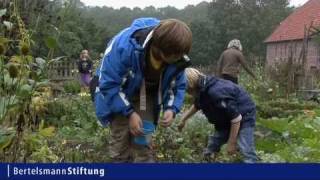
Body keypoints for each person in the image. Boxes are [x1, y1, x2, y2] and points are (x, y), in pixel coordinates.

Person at [94, 17, 192, 162]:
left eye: (180, 55)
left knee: (143, 144)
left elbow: (177, 85)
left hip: (147, 96)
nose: (179, 58)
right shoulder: (125, 48)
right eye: (175, 56)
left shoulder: (177, 58)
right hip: (119, 94)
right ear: (160, 49)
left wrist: (171, 108)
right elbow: (109, 85)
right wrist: (130, 114)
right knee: (120, 144)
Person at [178, 68, 258, 163]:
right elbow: (197, 105)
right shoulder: (202, 89)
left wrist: (231, 143)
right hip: (225, 118)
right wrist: (183, 119)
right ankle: (206, 161)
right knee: (213, 144)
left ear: (191, 86)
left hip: (244, 115)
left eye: (187, 90)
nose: (188, 93)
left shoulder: (215, 92)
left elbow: (236, 118)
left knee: (246, 148)